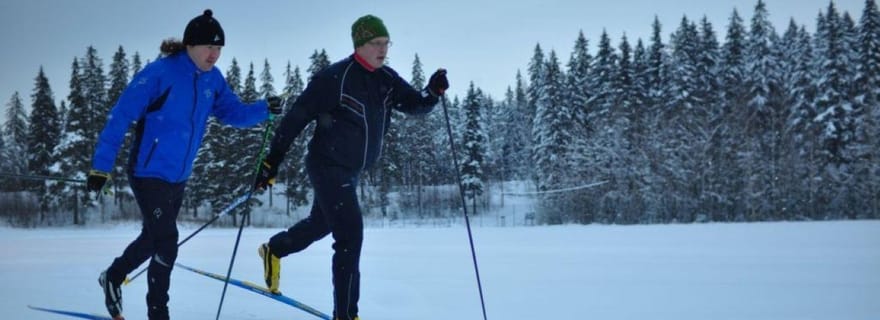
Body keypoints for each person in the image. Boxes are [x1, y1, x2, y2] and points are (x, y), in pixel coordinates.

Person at [86, 9, 283, 320]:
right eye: (209, 47)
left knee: (153, 238)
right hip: (147, 171)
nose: (214, 54)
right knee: (167, 242)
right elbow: (120, 116)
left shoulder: (213, 80)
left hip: (179, 176)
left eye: (219, 49)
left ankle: (113, 275)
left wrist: (264, 109)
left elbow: (232, 113)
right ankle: (158, 313)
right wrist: (101, 167)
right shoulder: (159, 74)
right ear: (190, 45)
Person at [254, 14, 449, 320]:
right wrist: (271, 162)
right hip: (326, 164)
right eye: (376, 43)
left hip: (351, 170)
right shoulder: (335, 78)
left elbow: (415, 104)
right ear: (359, 45)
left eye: (386, 43)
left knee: (321, 224)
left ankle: (274, 250)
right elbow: (295, 119)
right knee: (350, 235)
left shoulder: (387, 79)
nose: (383, 49)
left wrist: (432, 93)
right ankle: (346, 315)